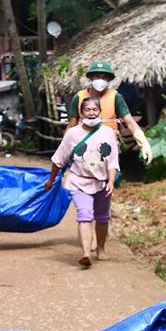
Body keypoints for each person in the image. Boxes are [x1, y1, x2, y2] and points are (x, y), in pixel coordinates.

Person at [44, 96, 119, 267]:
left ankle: (100, 248)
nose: (91, 113)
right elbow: (58, 159)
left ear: (100, 111)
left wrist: (111, 181)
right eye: (87, 110)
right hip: (79, 181)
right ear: (81, 112)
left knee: (102, 218)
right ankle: (85, 253)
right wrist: (51, 180)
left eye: (95, 110)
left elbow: (112, 161)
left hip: (102, 182)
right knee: (84, 215)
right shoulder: (72, 134)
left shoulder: (108, 133)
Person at [67, 60, 153, 165]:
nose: (100, 80)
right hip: (84, 147)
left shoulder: (115, 97)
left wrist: (143, 143)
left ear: (109, 79)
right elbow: (71, 126)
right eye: (97, 76)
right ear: (90, 78)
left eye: (104, 77)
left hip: (108, 147)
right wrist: (65, 148)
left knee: (112, 177)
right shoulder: (79, 97)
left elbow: (130, 121)